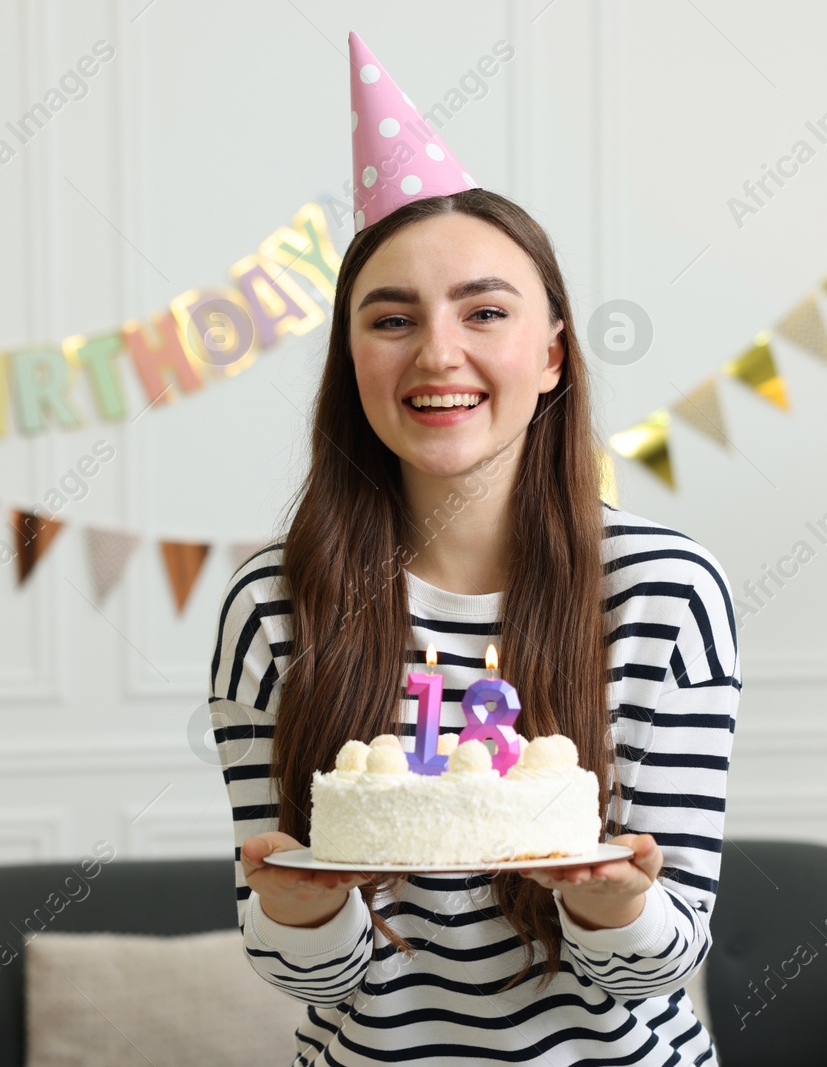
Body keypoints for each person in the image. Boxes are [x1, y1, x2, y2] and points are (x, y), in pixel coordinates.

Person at [205, 32, 739, 1066]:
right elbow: (304, 972)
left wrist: (616, 904)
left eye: (483, 311)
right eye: (391, 317)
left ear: (549, 355)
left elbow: (660, 964)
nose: (437, 353)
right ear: (350, 358)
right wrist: (297, 911)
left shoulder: (662, 592)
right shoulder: (273, 602)